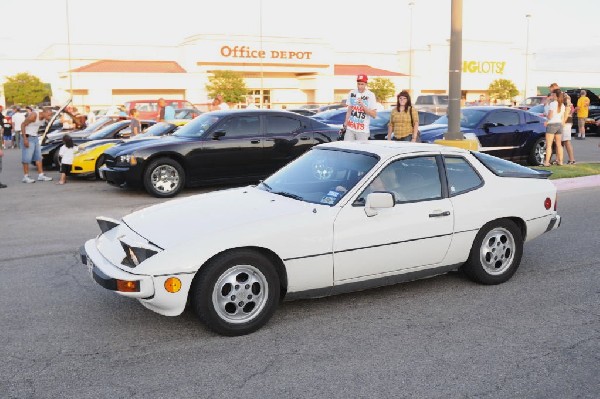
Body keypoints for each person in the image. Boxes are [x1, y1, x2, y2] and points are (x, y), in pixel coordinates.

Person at [20, 106, 54, 183]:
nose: (50, 116)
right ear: (44, 112)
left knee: (38, 157)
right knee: (27, 158)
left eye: (51, 115)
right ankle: (25, 176)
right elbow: (23, 125)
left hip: (35, 137)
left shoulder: (44, 118)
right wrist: (25, 139)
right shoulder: (34, 115)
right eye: (49, 115)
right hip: (28, 137)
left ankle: (41, 175)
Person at [342, 74, 377, 141]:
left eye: (362, 84)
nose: (360, 86)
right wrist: (345, 123)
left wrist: (363, 105)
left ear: (366, 84)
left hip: (362, 131)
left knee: (361, 149)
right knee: (347, 148)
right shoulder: (352, 92)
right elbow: (349, 110)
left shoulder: (370, 95)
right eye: (358, 84)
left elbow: (374, 115)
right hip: (350, 128)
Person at [543, 89, 565, 166]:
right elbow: (562, 117)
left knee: (549, 145)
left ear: (555, 95)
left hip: (552, 124)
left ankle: (546, 162)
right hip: (559, 124)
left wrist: (546, 119)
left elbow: (550, 115)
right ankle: (561, 161)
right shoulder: (562, 105)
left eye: (552, 94)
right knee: (559, 144)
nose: (551, 96)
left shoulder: (553, 104)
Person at [561, 94, 576, 164]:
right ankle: (560, 159)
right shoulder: (568, 104)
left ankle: (572, 159)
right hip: (567, 123)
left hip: (566, 123)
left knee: (566, 141)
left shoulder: (567, 104)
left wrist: (562, 124)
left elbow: (566, 114)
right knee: (562, 142)